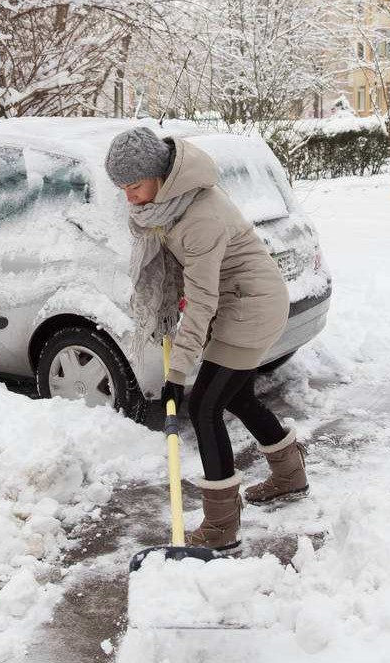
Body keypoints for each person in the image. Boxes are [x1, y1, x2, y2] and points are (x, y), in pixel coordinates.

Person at [105, 126, 309, 551]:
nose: (129, 197)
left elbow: (200, 302)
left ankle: (221, 526)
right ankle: (289, 474)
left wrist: (177, 372)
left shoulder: (200, 217)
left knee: (203, 404)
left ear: (159, 176)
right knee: (234, 395)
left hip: (251, 306)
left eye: (135, 186)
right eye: (122, 188)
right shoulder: (170, 204)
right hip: (238, 302)